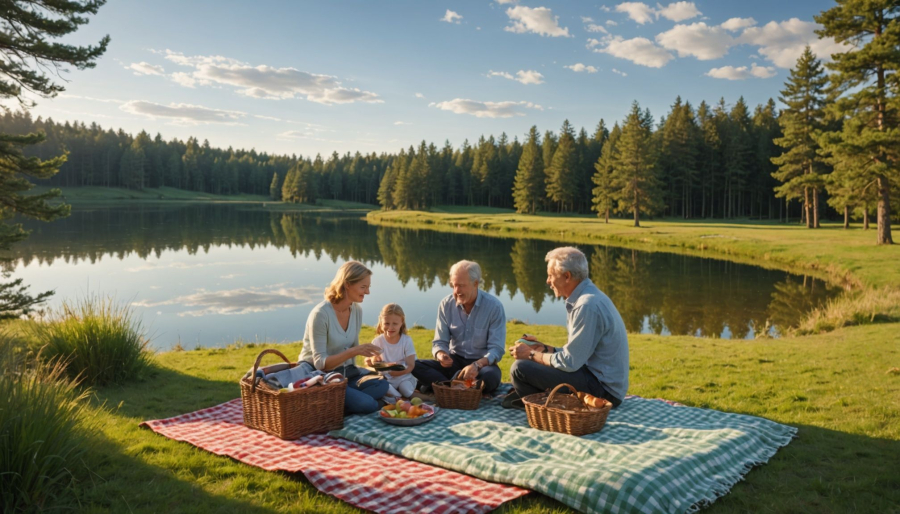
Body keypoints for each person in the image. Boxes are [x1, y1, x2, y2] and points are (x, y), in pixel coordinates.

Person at [504, 247, 628, 410]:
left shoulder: (586, 306)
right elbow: (579, 352)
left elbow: (570, 362)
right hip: (596, 378)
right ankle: (543, 399)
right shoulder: (588, 297)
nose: (547, 281)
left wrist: (531, 354)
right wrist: (546, 349)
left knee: (520, 368)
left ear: (567, 276)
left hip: (604, 391)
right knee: (526, 366)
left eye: (550, 275)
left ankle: (543, 406)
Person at [298, 261, 389, 414]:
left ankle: (332, 406)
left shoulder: (356, 310)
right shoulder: (320, 314)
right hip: (319, 377)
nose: (367, 292)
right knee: (368, 404)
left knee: (382, 384)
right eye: (363, 287)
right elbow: (320, 364)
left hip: (344, 376)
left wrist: (370, 359)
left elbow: (351, 356)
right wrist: (355, 351)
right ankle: (350, 405)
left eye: (368, 287)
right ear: (347, 284)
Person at [413, 260, 505, 394]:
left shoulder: (494, 307)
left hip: (481, 365)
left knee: (490, 377)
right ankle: (459, 386)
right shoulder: (446, 304)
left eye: (461, 286)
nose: (457, 291)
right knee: (415, 365)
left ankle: (442, 385)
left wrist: (476, 365)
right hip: (453, 362)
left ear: (475, 284)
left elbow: (496, 350)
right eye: (454, 285)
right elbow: (440, 342)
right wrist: (441, 355)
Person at [365, 303, 417, 400]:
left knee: (405, 390)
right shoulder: (377, 341)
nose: (390, 327)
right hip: (385, 379)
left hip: (403, 377)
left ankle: (425, 398)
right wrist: (374, 360)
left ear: (401, 323)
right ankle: (400, 400)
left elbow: (411, 365)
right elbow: (373, 363)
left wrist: (397, 373)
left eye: (395, 324)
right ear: (381, 322)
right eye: (386, 323)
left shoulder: (406, 341)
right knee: (387, 389)